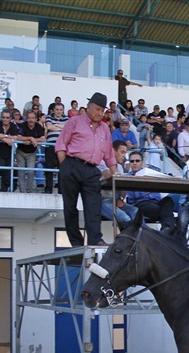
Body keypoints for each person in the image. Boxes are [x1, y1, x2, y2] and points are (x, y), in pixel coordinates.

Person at [56, 92, 118, 247]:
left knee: (94, 206)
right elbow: (61, 144)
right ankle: (76, 242)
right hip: (72, 165)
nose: (99, 113)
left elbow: (109, 154)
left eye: (102, 110)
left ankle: (95, 239)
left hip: (92, 170)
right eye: (97, 109)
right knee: (70, 207)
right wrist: (65, 166)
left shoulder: (104, 128)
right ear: (89, 108)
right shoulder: (75, 121)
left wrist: (115, 174)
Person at [124, 152, 176, 234]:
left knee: (168, 200)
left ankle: (167, 228)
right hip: (140, 204)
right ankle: (168, 229)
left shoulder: (149, 173)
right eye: (132, 161)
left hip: (155, 202)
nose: (134, 163)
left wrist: (146, 190)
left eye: (137, 161)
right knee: (167, 213)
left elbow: (157, 193)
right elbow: (134, 196)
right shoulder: (127, 177)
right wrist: (148, 191)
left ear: (142, 162)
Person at [14, 110, 45, 194]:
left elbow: (43, 139)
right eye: (29, 118)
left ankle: (29, 191)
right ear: (26, 119)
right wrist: (31, 138)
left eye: (32, 118)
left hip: (31, 153)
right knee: (21, 171)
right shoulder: (22, 125)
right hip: (20, 151)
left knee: (31, 171)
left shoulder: (38, 126)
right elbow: (19, 137)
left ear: (35, 119)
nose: (31, 120)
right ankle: (22, 191)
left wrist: (33, 140)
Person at [0, 110, 21, 192]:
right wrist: (5, 139)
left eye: (7, 117)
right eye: (3, 117)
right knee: (2, 168)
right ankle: (9, 184)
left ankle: (4, 189)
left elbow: (15, 137)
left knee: (8, 170)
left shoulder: (13, 126)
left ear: (10, 118)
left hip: (9, 152)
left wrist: (4, 136)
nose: (5, 119)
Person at [44, 102, 69, 194]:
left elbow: (67, 128)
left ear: (63, 110)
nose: (59, 112)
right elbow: (49, 127)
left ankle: (61, 189)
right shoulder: (49, 117)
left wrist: (56, 125)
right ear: (54, 110)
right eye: (57, 110)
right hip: (50, 146)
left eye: (60, 110)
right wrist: (61, 127)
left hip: (62, 147)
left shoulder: (67, 118)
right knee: (49, 168)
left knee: (62, 169)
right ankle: (48, 188)